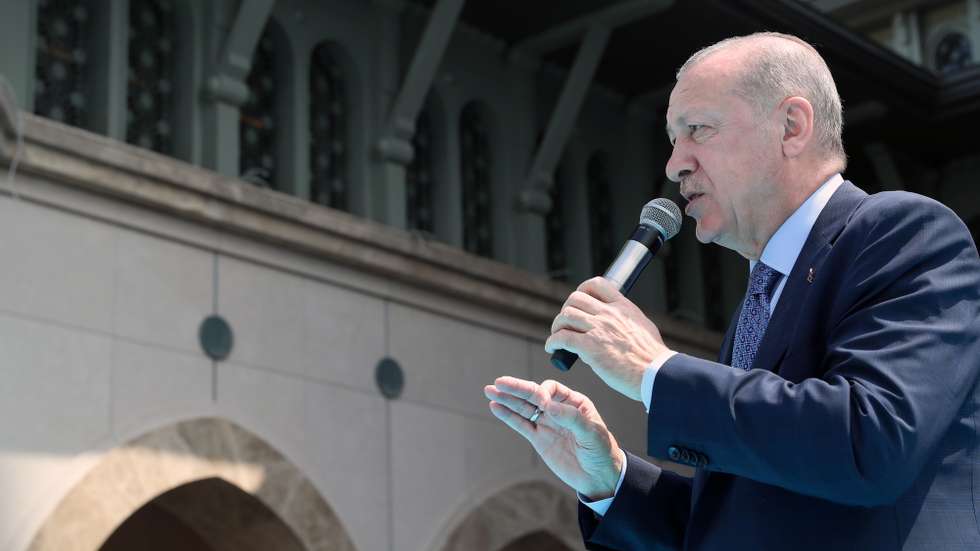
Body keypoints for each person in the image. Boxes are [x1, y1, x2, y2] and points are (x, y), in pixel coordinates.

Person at [484, 32, 980, 550]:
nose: (676, 164)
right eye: (674, 139)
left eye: (697, 130)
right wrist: (609, 477)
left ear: (792, 127)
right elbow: (736, 526)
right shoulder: (762, 299)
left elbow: (871, 442)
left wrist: (654, 370)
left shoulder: (904, 233)